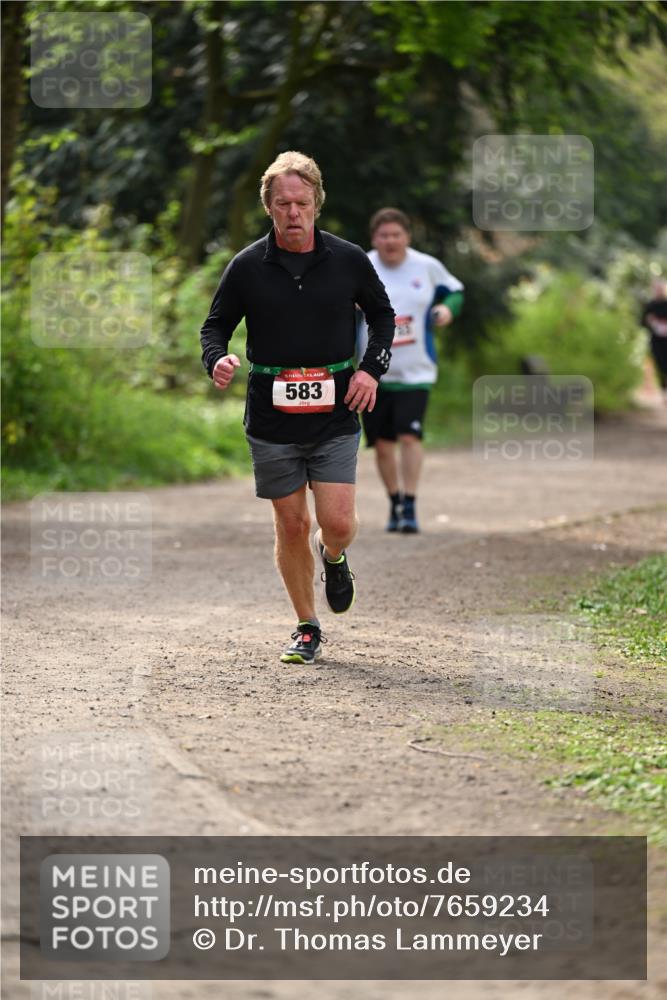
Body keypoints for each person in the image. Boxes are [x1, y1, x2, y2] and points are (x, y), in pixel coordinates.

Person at [200, 151, 394, 665]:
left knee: (338, 522)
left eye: (302, 203)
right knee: (290, 525)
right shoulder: (247, 266)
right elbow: (214, 326)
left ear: (316, 204)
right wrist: (217, 359)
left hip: (335, 411)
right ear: (269, 207)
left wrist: (371, 370)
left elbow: (382, 315)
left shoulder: (348, 259)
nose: (293, 212)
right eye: (283, 203)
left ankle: (334, 555)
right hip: (271, 417)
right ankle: (307, 625)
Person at [357, 208, 464, 533]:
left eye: (396, 235)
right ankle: (394, 501)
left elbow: (455, 291)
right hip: (372, 374)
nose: (391, 241)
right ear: (374, 239)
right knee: (383, 443)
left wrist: (446, 309)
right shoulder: (361, 265)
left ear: (407, 237)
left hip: (416, 371)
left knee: (410, 435)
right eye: (384, 236)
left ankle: (411, 504)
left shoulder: (426, 266)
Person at [641, 278, 667, 401]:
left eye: (660, 288)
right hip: (656, 342)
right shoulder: (650, 306)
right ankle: (664, 390)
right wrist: (650, 322)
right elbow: (642, 322)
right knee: (660, 365)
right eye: (656, 288)